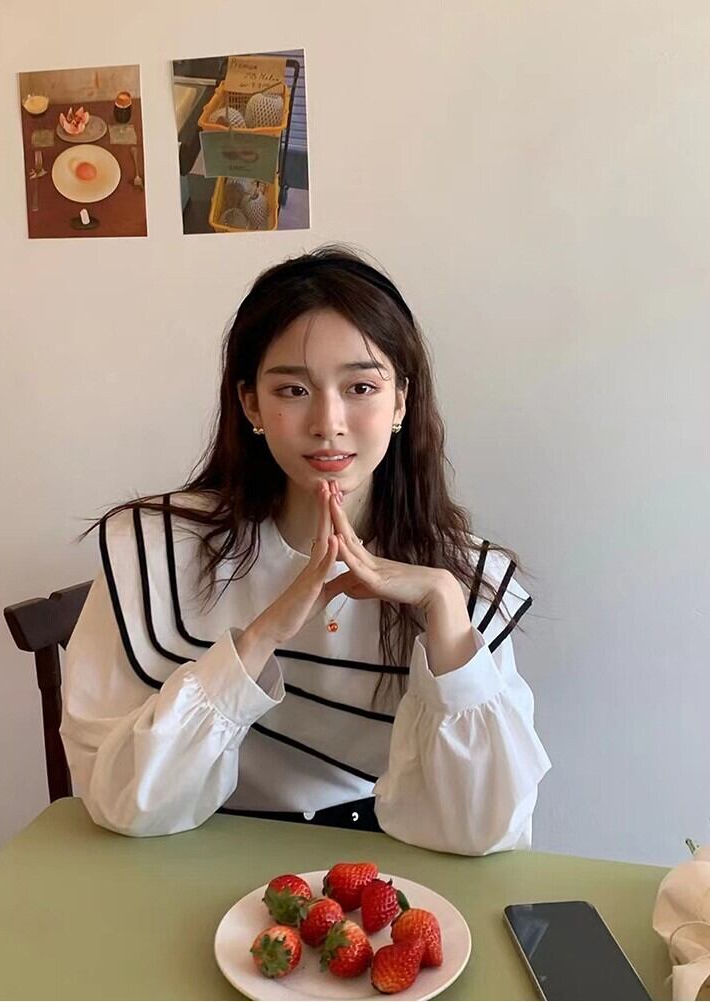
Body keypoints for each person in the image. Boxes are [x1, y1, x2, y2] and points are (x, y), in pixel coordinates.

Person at [60, 245, 551, 854]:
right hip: (190, 852)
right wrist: (263, 634)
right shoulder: (157, 550)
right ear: (251, 404)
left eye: (361, 386)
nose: (328, 421)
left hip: (377, 868)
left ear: (401, 400)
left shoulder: (465, 579)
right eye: (293, 389)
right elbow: (118, 800)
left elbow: (485, 831)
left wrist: (445, 607)